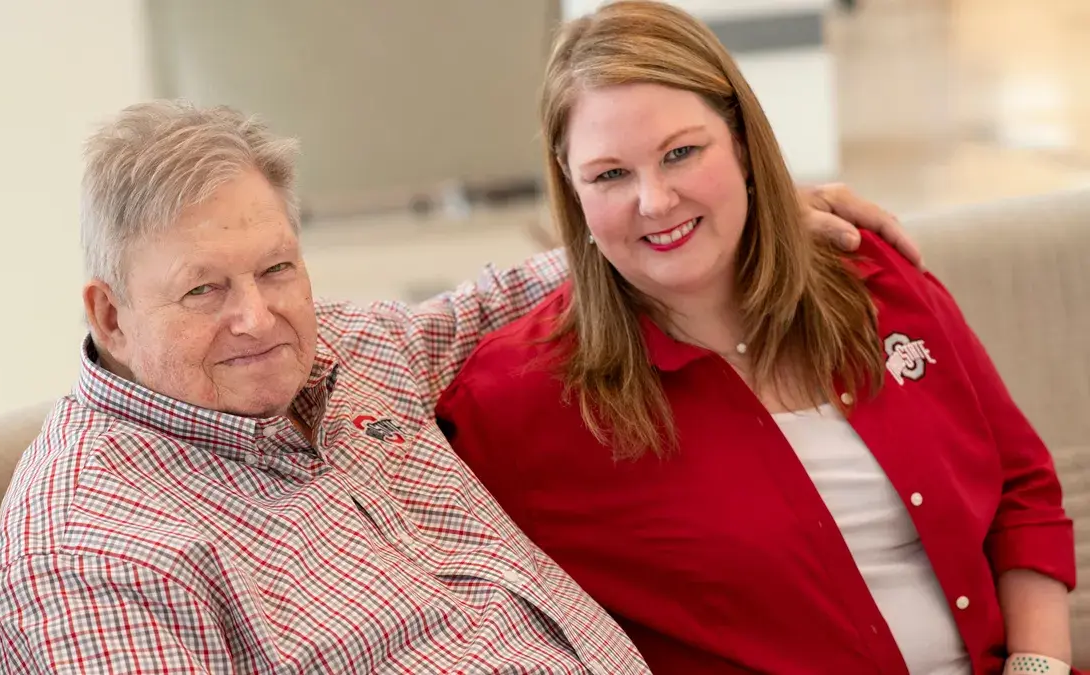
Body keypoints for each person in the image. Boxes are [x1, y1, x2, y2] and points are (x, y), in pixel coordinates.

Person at [0, 100, 913, 673]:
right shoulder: (91, 555)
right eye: (205, 291)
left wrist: (725, 217)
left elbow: (492, 300)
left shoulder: (348, 350)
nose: (259, 317)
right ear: (110, 313)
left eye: (278, 269)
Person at [435, 3, 1077, 675]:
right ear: (574, 194)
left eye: (681, 153)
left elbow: (1021, 489)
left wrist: (1037, 668)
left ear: (742, 144)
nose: (655, 200)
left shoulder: (873, 278)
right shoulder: (518, 399)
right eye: (610, 175)